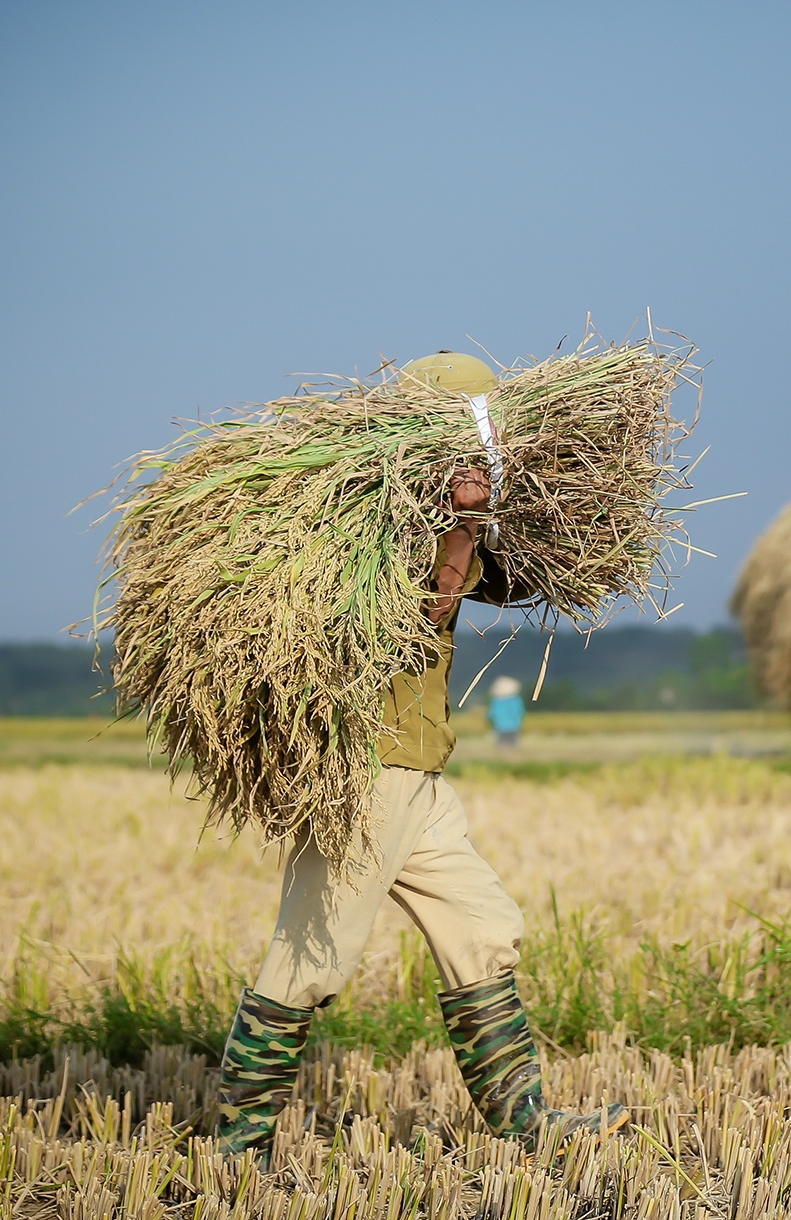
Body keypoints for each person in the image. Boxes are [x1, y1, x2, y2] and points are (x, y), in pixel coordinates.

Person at [214, 352, 627, 1160]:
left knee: (483, 928)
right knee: (311, 960)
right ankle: (238, 1140)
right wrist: (462, 524)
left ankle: (524, 1120)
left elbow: (509, 585)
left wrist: (508, 522)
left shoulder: (438, 510)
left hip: (419, 769)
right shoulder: (372, 518)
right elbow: (418, 611)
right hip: (366, 771)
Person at [487, 675, 525, 747]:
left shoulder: (496, 701)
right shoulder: (516, 700)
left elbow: (491, 714)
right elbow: (521, 712)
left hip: (500, 727)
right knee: (514, 745)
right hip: (515, 726)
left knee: (502, 746)